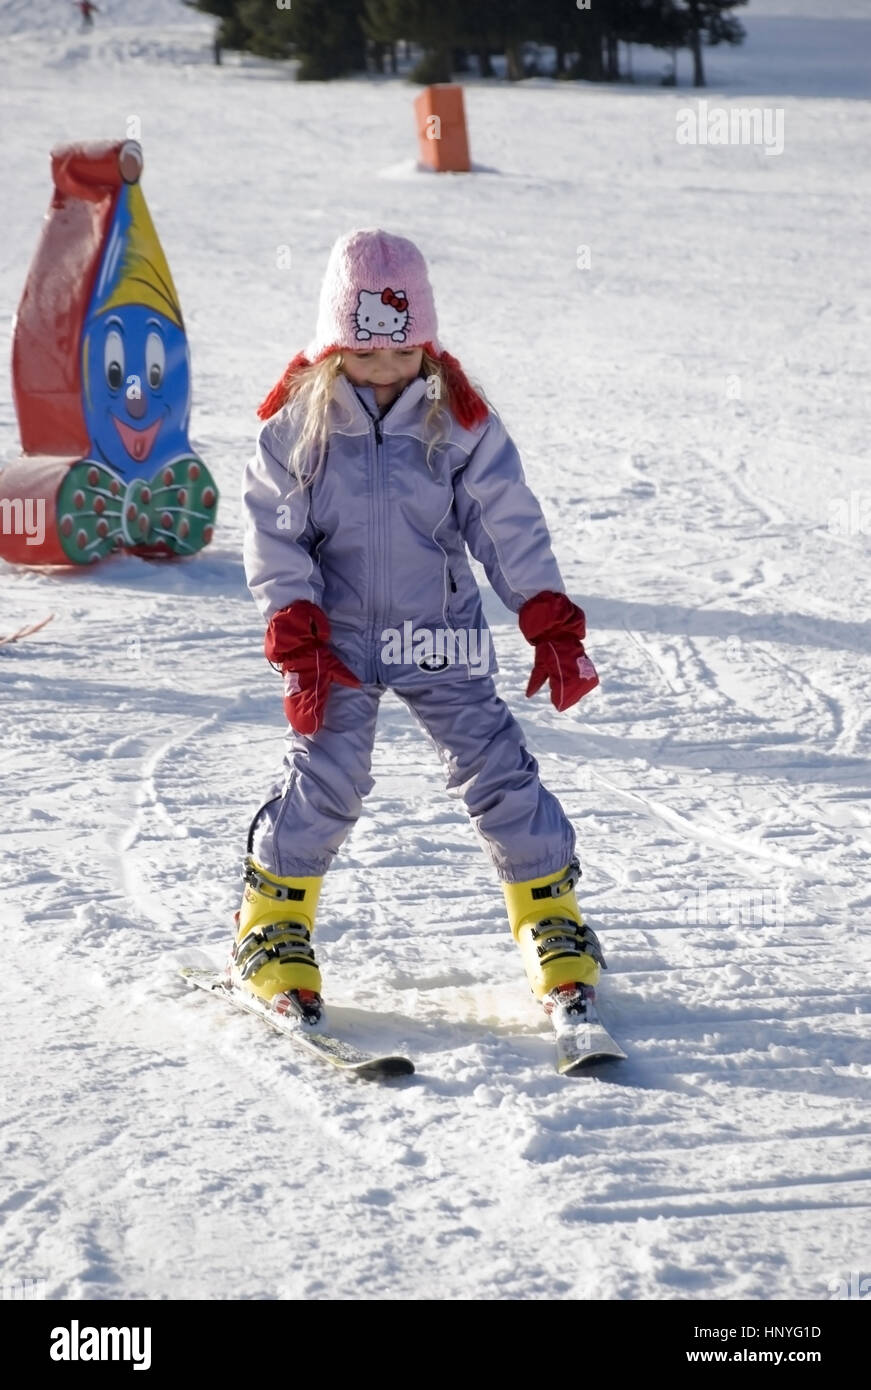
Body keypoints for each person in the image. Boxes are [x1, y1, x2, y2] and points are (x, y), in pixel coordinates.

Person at [232, 228, 605, 1033]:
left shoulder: (458, 422)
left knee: (494, 765)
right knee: (330, 774)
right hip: (333, 643)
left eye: (403, 356)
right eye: (366, 358)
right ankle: (272, 921)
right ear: (334, 348)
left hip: (438, 633)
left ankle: (548, 911)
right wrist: (296, 634)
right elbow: (274, 533)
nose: (385, 373)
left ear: (426, 346)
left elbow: (505, 522)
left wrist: (545, 617)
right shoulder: (298, 428)